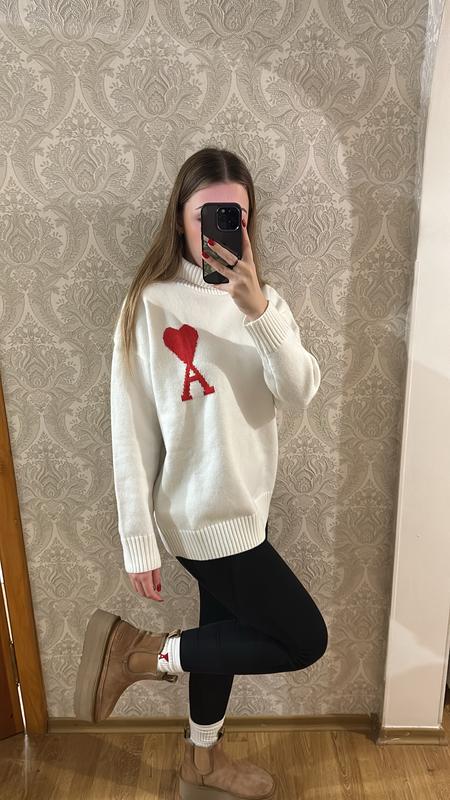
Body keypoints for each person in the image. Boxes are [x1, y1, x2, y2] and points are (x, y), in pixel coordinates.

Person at [74, 146, 328, 800]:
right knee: (303, 639)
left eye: (234, 216)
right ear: (181, 220)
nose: (220, 229)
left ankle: (201, 762)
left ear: (247, 221)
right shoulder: (151, 304)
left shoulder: (266, 304)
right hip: (197, 511)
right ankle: (142, 653)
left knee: (224, 634)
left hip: (247, 507)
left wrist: (257, 311)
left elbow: (300, 392)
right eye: (206, 215)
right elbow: (130, 428)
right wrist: (138, 539)